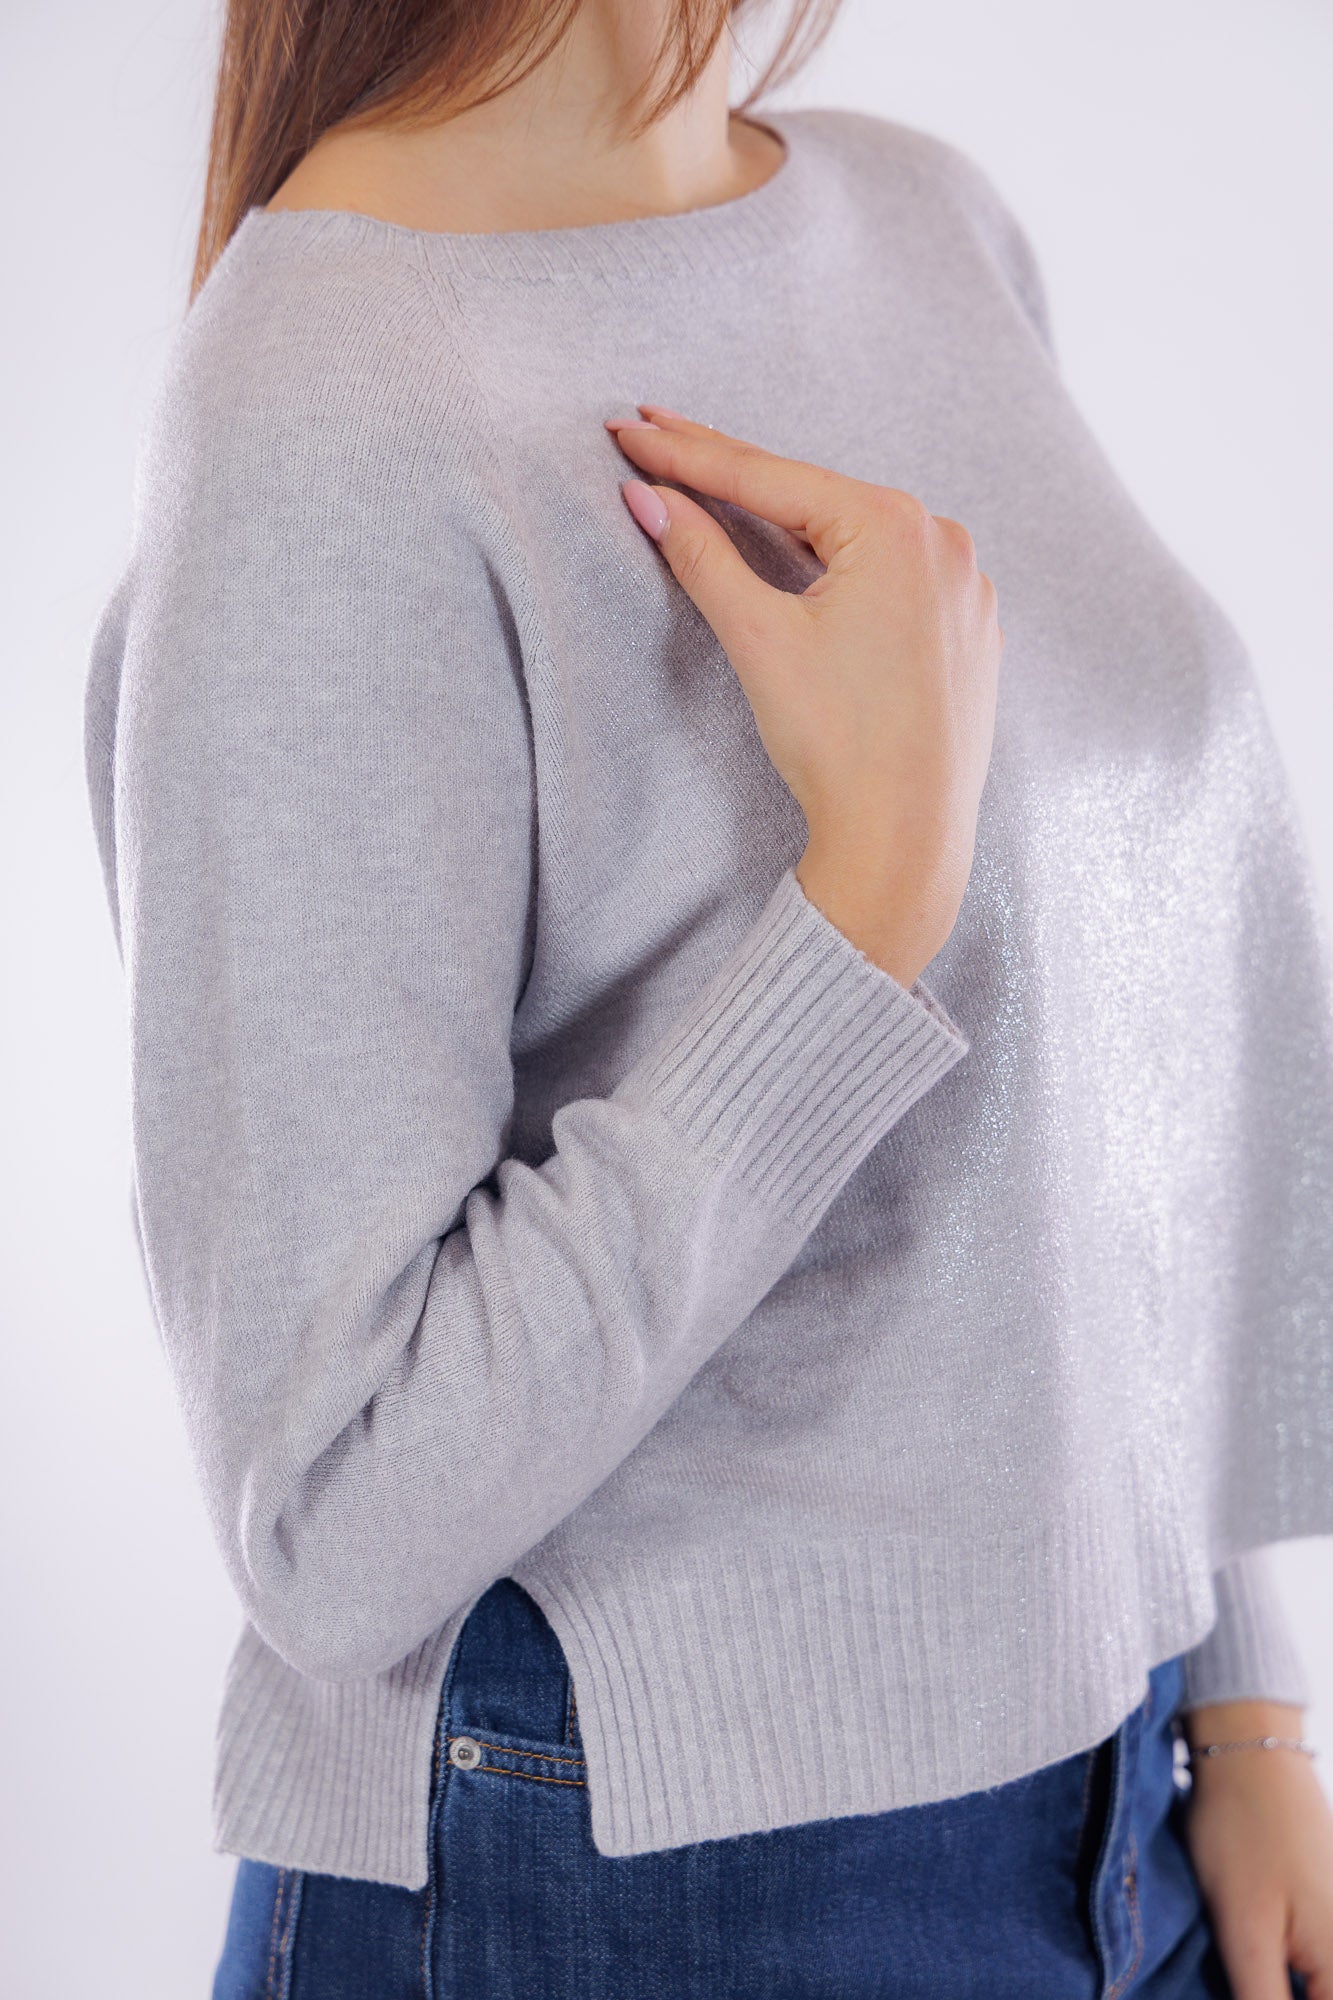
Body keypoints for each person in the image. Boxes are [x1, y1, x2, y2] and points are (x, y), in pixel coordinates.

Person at [82, 0, 1333, 1993]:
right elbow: (335, 1513)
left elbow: (1103, 1083)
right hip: (633, 1879)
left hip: (1127, 1784)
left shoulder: (925, 222)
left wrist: (1243, 1693)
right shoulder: (330, 403)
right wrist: (865, 901)